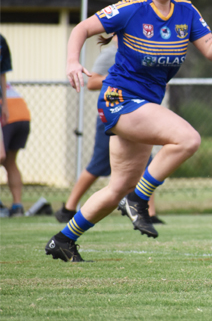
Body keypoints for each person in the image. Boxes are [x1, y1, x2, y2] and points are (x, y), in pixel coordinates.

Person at [45, 0, 212, 262]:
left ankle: (63, 239)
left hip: (145, 104)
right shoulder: (132, 8)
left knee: (116, 189)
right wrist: (72, 62)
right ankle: (138, 199)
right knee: (188, 139)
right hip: (117, 98)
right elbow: (81, 28)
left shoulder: (186, 11)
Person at [54, 36, 162, 225]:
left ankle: (149, 214)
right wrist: (121, 78)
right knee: (98, 165)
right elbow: (92, 82)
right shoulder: (111, 54)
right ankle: (68, 208)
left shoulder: (140, 54)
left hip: (137, 115)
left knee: (147, 163)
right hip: (113, 115)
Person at [0, 34, 31, 218]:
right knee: (10, 162)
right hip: (22, 114)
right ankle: (17, 206)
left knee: (3, 157)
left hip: (7, 114)